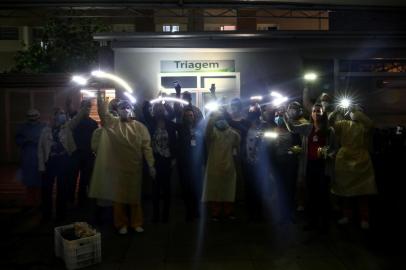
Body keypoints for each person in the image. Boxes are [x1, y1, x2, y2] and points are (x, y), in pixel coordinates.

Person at [89, 92, 155, 234]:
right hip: (118, 168)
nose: (125, 110)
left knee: (134, 197)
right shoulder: (113, 123)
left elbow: (147, 147)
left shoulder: (140, 127)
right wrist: (101, 98)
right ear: (118, 111)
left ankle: (136, 222)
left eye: (127, 107)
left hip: (134, 167)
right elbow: (103, 114)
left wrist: (151, 164)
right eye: (122, 108)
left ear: (131, 110)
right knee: (118, 197)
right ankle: (121, 224)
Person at [285, 103, 335, 232]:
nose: (316, 113)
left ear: (323, 113)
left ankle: (324, 224)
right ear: (311, 114)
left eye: (319, 111)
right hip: (310, 165)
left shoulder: (329, 130)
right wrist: (285, 113)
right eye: (314, 111)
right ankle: (312, 222)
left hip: (323, 166)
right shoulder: (308, 127)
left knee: (323, 195)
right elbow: (292, 128)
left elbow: (335, 148)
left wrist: (327, 153)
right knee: (311, 195)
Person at [38, 103, 90, 222]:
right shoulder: (45, 130)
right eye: (60, 114)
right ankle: (46, 215)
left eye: (63, 113)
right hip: (49, 162)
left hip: (63, 161)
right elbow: (40, 150)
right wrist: (41, 166)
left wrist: (84, 107)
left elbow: (77, 118)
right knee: (46, 190)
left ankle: (61, 215)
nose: (63, 116)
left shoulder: (67, 127)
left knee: (62, 189)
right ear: (54, 116)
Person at [331, 109, 377, 230]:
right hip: (345, 158)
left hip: (361, 158)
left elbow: (371, 124)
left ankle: (364, 218)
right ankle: (347, 215)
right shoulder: (343, 123)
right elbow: (330, 123)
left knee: (363, 191)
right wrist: (335, 111)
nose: (353, 113)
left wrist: (357, 112)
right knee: (346, 191)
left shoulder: (364, 126)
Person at [142, 101, 177, 223]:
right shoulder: (151, 122)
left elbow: (173, 112)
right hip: (155, 159)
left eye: (161, 109)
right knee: (155, 189)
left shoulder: (169, 122)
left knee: (167, 189)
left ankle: (166, 215)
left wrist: (165, 102)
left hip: (167, 159)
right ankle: (156, 215)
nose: (160, 110)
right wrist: (151, 102)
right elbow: (145, 110)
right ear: (154, 111)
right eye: (157, 109)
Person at [203, 112, 240, 221]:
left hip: (229, 166)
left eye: (222, 119)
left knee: (228, 190)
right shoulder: (213, 133)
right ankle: (215, 212)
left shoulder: (232, 133)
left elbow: (238, 142)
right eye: (219, 119)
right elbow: (208, 131)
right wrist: (212, 117)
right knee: (215, 191)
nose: (221, 121)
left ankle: (228, 212)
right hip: (214, 167)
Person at [270, 107, 301, 223]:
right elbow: (269, 148)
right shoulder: (272, 131)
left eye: (282, 116)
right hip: (278, 163)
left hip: (290, 162)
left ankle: (291, 213)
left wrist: (294, 150)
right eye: (277, 116)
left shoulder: (292, 131)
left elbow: (299, 145)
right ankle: (281, 214)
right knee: (279, 188)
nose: (279, 118)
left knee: (290, 187)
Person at [68, 100, 98, 206]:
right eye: (86, 107)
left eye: (89, 107)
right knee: (75, 177)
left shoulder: (92, 123)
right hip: (79, 154)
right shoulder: (76, 121)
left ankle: (77, 199)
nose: (88, 109)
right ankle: (77, 199)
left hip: (84, 154)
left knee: (82, 178)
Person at [176, 108, 204, 221]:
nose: (189, 117)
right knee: (186, 188)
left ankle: (197, 210)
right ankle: (189, 211)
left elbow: (203, 145)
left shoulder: (199, 128)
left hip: (196, 163)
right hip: (184, 164)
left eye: (191, 115)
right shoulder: (181, 128)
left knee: (196, 188)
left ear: (194, 116)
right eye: (187, 116)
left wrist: (203, 160)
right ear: (184, 117)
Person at [15, 109, 46, 210]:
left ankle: (40, 201)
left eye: (34, 117)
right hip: (27, 156)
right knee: (29, 181)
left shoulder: (43, 127)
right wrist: (26, 141)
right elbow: (17, 140)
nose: (32, 119)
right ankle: (30, 201)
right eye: (30, 117)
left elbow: (47, 140)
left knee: (40, 180)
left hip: (40, 156)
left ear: (38, 117)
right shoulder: (22, 127)